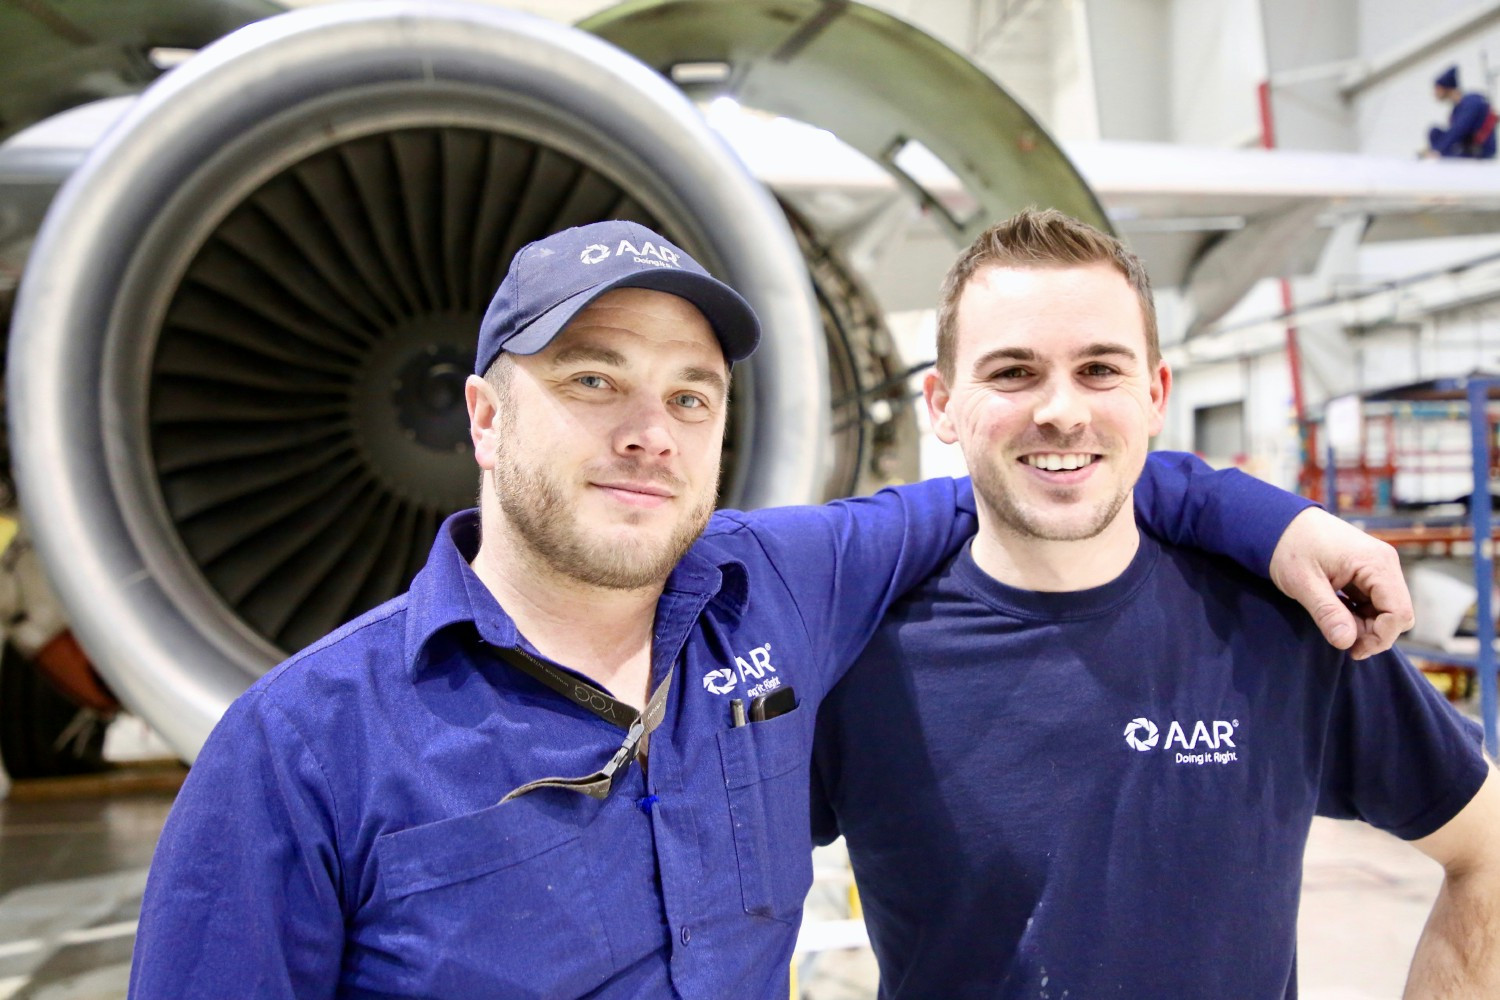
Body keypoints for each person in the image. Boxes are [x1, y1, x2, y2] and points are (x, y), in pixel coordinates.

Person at [131, 220, 1410, 999]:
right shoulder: (298, 750)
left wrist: (1268, 517)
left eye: (693, 395)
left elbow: (1041, 464)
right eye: (593, 379)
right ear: (481, 413)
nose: (649, 432)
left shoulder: (776, 592)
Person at [811, 209, 1500, 999]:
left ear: (1155, 393)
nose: (1062, 411)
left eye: (1100, 369)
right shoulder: (861, 660)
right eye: (1012, 373)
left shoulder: (1285, 625)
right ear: (940, 404)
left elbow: (1488, 849)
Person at [1425, 64, 1497, 159]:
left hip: (1480, 151)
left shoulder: (1472, 102)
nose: (1435, 93)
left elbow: (1459, 129)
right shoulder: (1457, 109)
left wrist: (1438, 150)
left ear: (1445, 88)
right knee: (1434, 133)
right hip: (1466, 148)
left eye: (1437, 89)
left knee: (1443, 153)